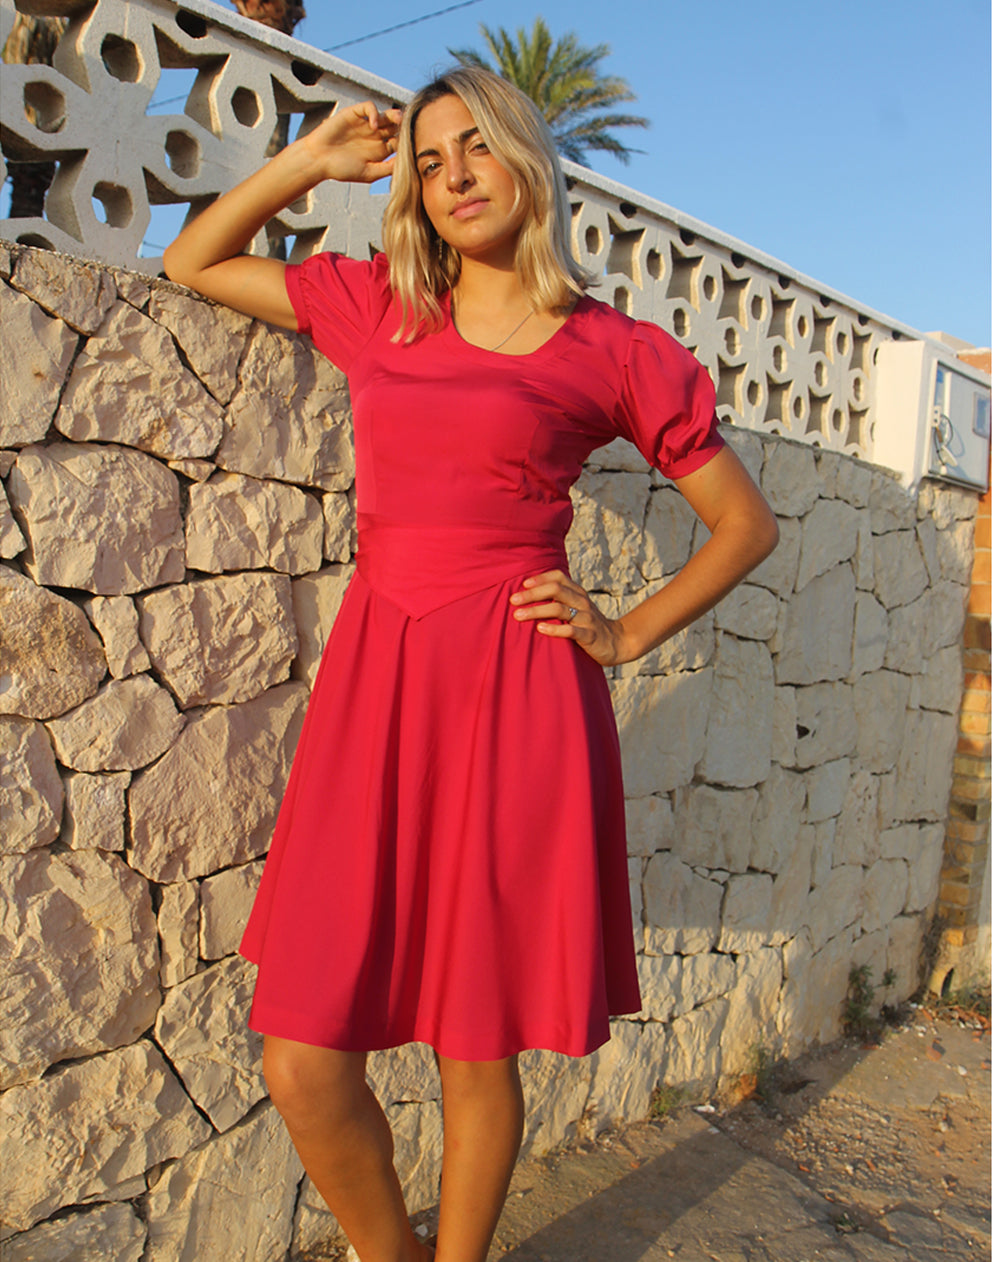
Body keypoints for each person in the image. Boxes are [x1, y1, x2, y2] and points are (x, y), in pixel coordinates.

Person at [163, 65, 778, 1262]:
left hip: (516, 692)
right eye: (428, 158)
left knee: (470, 1033)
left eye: (474, 148)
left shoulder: (610, 348)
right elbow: (192, 262)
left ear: (525, 162)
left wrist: (623, 631)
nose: (450, 174)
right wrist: (308, 162)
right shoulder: (382, 306)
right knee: (299, 1052)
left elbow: (742, 524)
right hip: (375, 690)